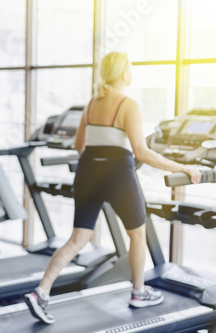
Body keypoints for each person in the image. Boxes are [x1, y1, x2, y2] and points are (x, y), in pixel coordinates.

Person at [24, 52, 201, 325]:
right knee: (137, 235)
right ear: (122, 74)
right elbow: (142, 152)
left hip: (87, 172)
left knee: (77, 240)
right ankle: (138, 292)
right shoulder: (128, 104)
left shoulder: (92, 103)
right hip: (118, 173)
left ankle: (41, 292)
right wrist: (183, 168)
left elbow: (79, 145)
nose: (132, 72)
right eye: (130, 68)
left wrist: (96, 169)